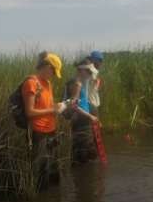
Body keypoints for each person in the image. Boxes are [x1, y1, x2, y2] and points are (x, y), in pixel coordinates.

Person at [23, 51, 66, 188]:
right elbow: (29, 112)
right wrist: (52, 110)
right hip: (39, 134)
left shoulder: (47, 83)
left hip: (52, 131)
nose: (54, 75)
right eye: (53, 72)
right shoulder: (31, 83)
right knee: (42, 174)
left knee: (53, 172)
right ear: (47, 66)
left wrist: (58, 106)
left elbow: (47, 106)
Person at [66, 61, 99, 164]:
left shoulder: (81, 82)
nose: (90, 75)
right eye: (88, 72)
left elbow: (82, 101)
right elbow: (73, 105)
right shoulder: (76, 83)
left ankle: (85, 175)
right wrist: (90, 116)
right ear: (81, 71)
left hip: (84, 119)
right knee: (82, 150)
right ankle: (82, 176)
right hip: (80, 120)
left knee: (87, 150)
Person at [86, 50, 104, 117]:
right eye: (100, 60)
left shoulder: (91, 72)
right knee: (94, 125)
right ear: (95, 61)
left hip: (92, 104)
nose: (101, 63)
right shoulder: (92, 71)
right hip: (91, 105)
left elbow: (96, 88)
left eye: (101, 61)